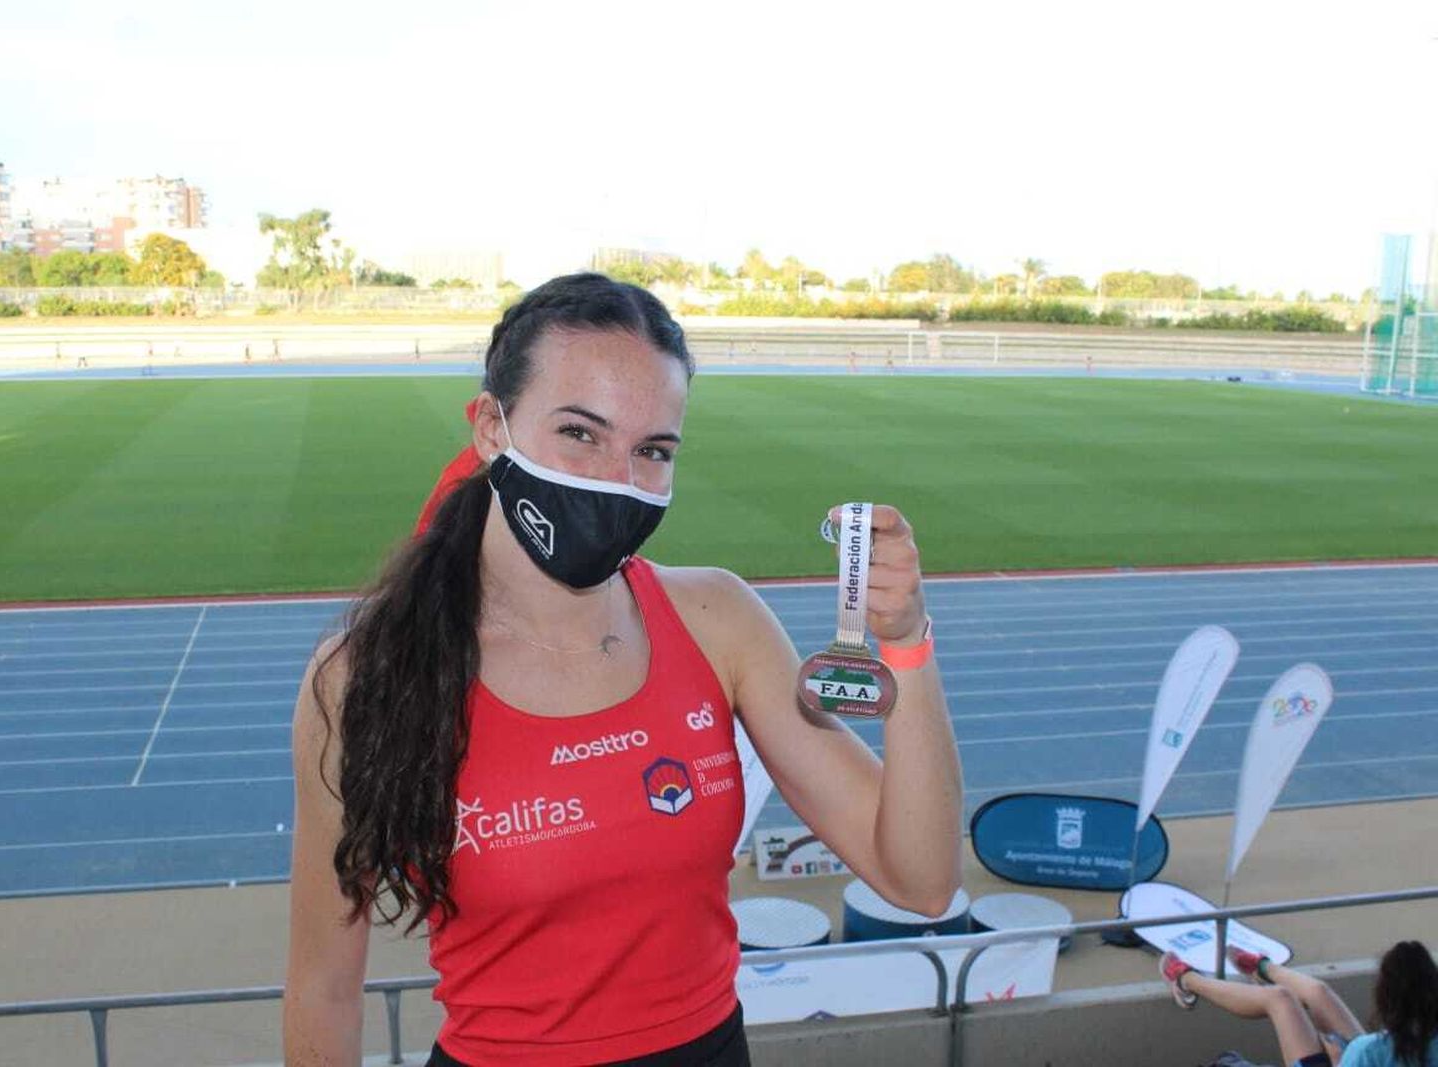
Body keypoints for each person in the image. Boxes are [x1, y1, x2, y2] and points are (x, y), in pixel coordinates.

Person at [283, 272, 964, 1066]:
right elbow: (325, 987)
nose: (617, 480)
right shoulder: (367, 674)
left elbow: (920, 880)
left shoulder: (718, 620)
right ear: (490, 429)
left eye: (652, 450)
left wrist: (907, 644)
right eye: (580, 432)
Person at [1160, 940, 1438, 1067]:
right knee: (1319, 992)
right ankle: (1263, 968)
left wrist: (1339, 1058)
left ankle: (1186, 979)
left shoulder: (1369, 1051)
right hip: (1370, 1054)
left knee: (1279, 999)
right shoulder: (1377, 1046)